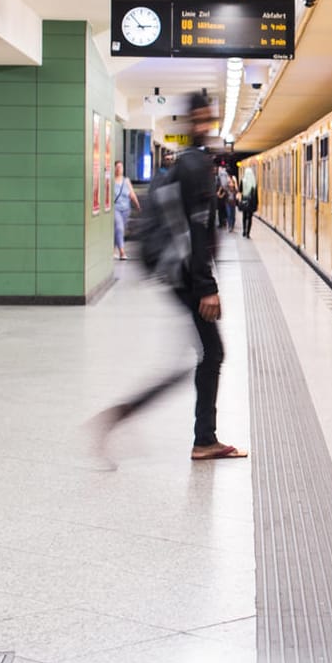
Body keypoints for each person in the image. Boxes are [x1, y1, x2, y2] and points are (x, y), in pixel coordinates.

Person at [92, 91, 246, 464]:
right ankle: (199, 438)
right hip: (188, 278)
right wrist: (207, 287)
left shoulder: (190, 162)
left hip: (179, 275)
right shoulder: (196, 167)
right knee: (211, 353)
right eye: (206, 116)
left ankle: (162, 424)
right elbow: (194, 229)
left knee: (203, 355)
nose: (209, 122)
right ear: (197, 119)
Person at [111, 160, 140, 260]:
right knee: (119, 228)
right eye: (117, 167)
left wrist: (137, 205)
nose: (119, 169)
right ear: (114, 168)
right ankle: (122, 252)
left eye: (121, 167)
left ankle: (113, 249)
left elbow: (131, 194)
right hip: (115, 209)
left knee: (118, 230)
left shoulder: (126, 180)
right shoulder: (111, 181)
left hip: (126, 210)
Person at [239, 166, 258, 238]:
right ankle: (248, 233)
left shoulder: (242, 181)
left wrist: (240, 201)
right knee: (250, 218)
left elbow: (240, 192)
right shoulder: (254, 182)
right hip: (251, 202)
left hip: (244, 201)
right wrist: (256, 203)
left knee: (244, 217)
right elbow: (256, 194)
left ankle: (244, 230)